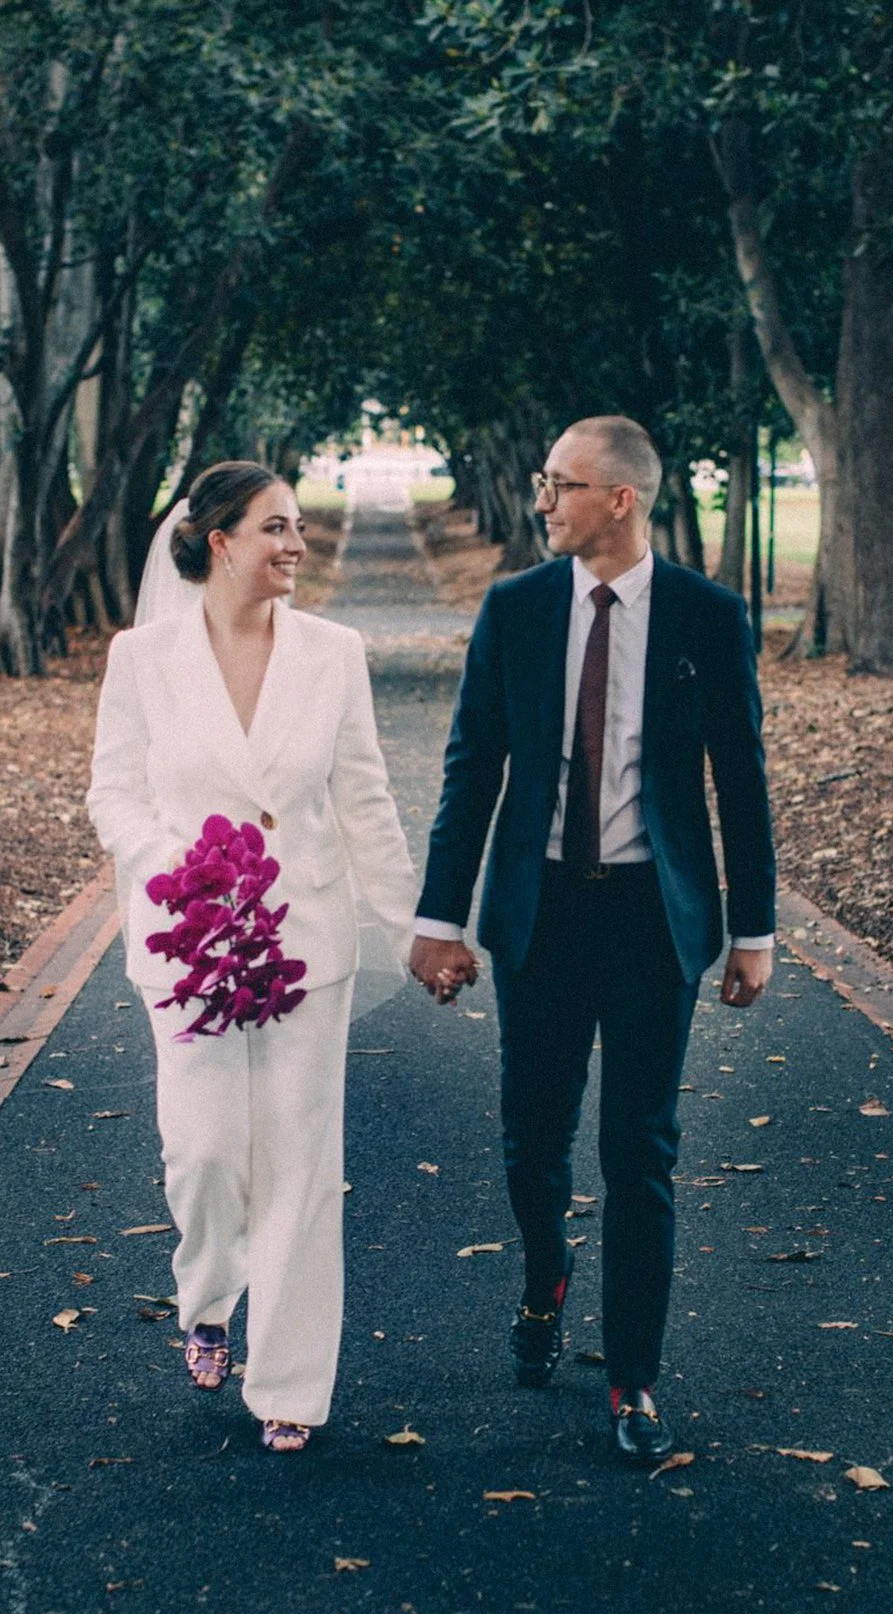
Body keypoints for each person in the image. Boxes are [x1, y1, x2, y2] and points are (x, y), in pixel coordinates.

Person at [408, 416, 777, 1464]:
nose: (543, 501)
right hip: (541, 912)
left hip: (653, 917)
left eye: (560, 484)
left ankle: (632, 1377)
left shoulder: (707, 615)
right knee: (533, 1138)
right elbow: (472, 767)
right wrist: (438, 919)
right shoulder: (517, 608)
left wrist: (753, 929)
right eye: (541, 481)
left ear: (621, 498)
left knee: (641, 1151)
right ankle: (545, 1277)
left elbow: (740, 778)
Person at [86, 460, 418, 1453]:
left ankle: (289, 1384)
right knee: (203, 1153)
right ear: (220, 539)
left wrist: (414, 927)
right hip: (186, 947)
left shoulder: (333, 653)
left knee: (300, 1166)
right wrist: (177, 873)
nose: (296, 544)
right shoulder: (141, 658)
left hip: (305, 943)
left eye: (299, 526)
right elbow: (113, 792)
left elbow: (364, 798)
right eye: (276, 526)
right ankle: (207, 1295)